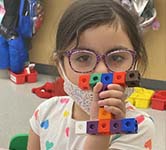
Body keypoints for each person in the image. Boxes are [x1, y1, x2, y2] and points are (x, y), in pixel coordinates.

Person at [27, 0, 155, 149]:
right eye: (83, 58)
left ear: (135, 64)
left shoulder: (139, 127)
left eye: (117, 57)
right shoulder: (45, 113)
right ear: (60, 66)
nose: (101, 71)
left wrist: (100, 129)